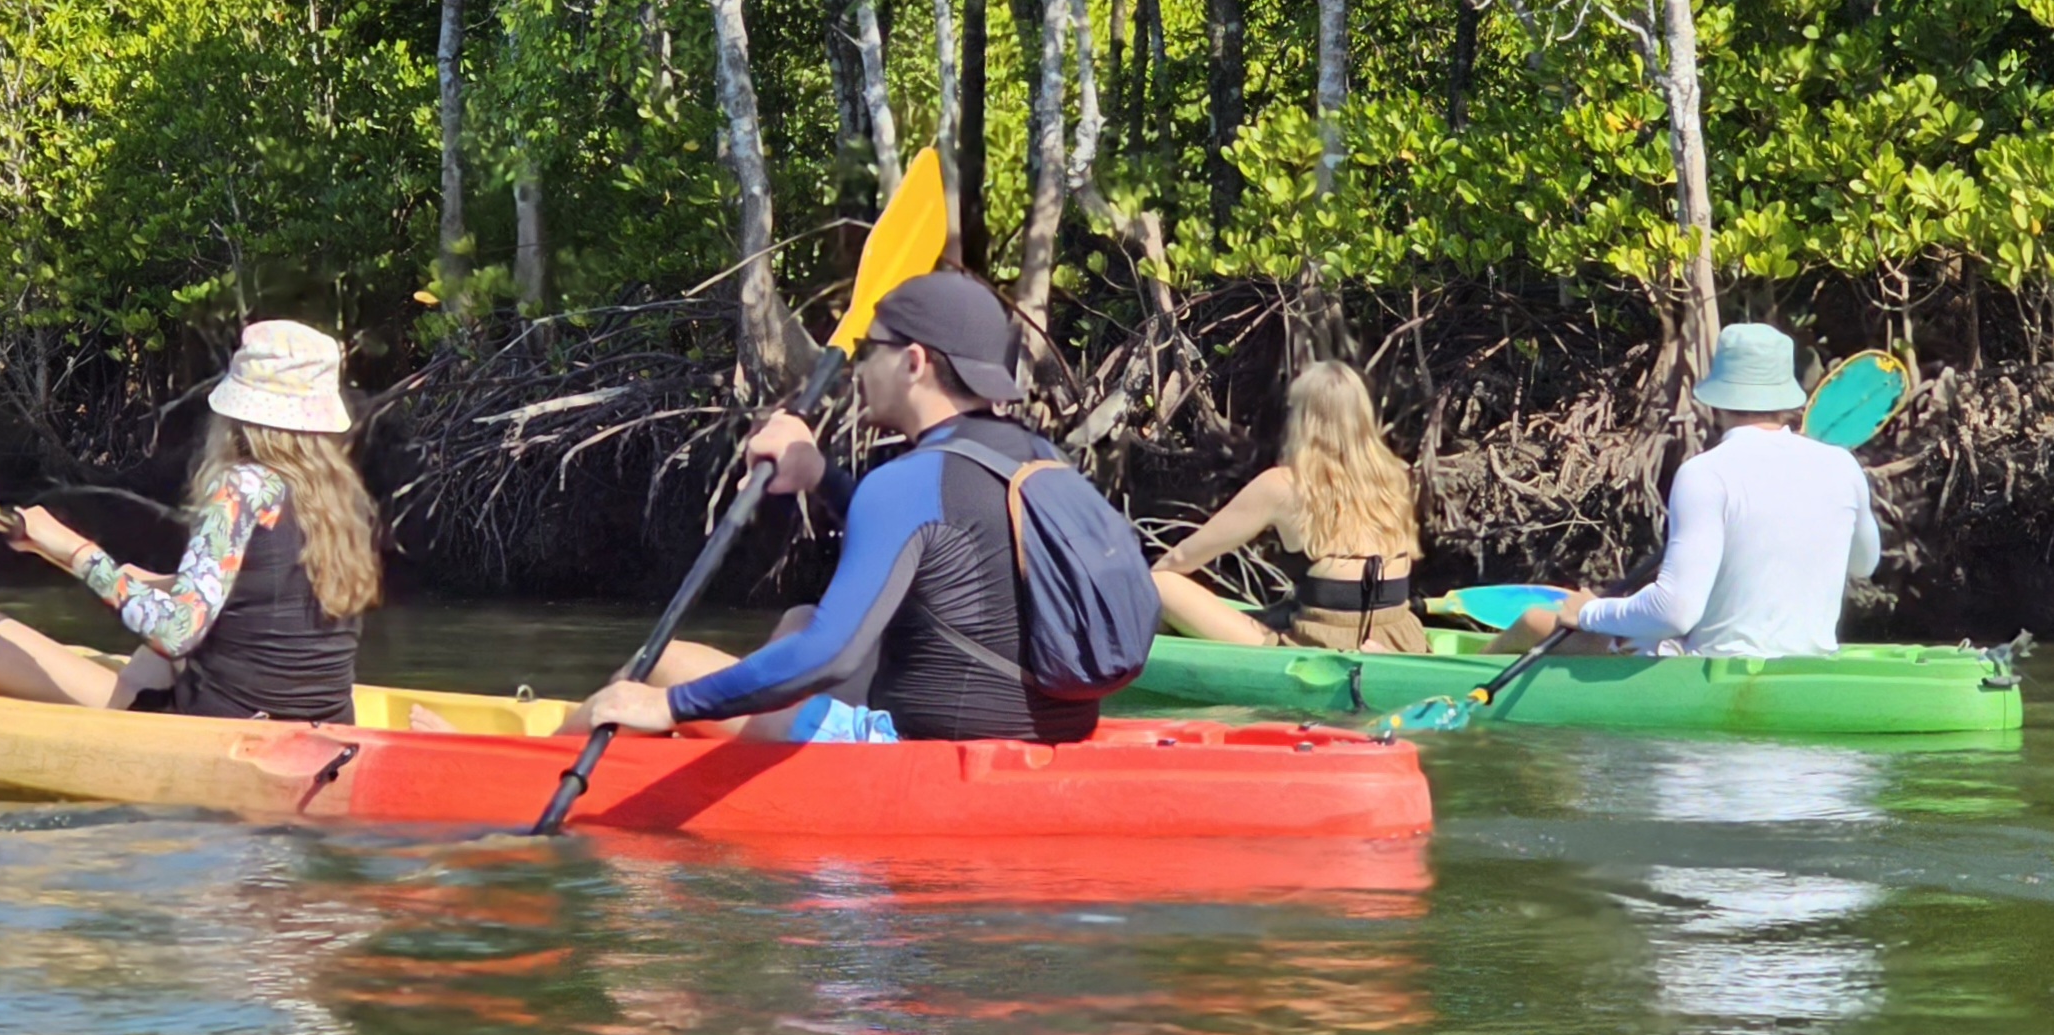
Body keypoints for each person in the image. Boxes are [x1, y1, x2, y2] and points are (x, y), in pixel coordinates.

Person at [583, 270, 1100, 746]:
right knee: (801, 619)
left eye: (871, 350)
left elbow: (828, 657)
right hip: (1048, 729)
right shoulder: (1041, 459)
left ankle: (553, 755)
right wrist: (821, 477)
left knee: (666, 664)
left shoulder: (909, 481)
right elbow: (929, 540)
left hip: (921, 749)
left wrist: (672, 705)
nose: (859, 369)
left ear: (913, 363)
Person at [0, 320, 381, 720]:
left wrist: (73, 550)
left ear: (237, 414)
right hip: (331, 722)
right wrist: (151, 581)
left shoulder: (242, 488)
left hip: (229, 725)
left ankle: (124, 711)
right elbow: (265, 597)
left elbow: (176, 633)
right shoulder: (343, 497)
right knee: (152, 652)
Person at [1528, 324, 1878, 658]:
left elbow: (1674, 612)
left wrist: (1590, 613)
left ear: (1718, 398)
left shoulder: (1705, 473)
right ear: (1786, 397)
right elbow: (1864, 564)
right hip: (1810, 664)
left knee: (1534, 621)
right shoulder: (1842, 465)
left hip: (1713, 671)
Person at [1146, 359, 1428, 653]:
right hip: (1401, 639)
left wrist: (1158, 606)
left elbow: (1181, 558)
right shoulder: (1397, 476)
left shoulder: (1283, 484)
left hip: (1319, 643)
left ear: (1301, 419)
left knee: (1159, 582)